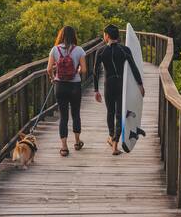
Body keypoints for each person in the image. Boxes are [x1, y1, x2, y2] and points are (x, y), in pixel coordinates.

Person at [94, 24, 144, 155]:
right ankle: (115, 145)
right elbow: (133, 67)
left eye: (104, 34)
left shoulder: (100, 51)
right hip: (121, 85)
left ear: (107, 36)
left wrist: (96, 90)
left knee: (110, 113)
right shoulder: (125, 50)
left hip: (108, 85)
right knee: (119, 114)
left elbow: (95, 72)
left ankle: (111, 137)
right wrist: (140, 84)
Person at [47, 26, 87, 157]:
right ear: (73, 36)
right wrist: (76, 72)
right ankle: (77, 142)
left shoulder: (55, 49)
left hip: (60, 86)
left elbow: (48, 69)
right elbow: (84, 69)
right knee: (76, 114)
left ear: (61, 35)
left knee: (63, 117)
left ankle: (64, 147)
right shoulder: (79, 50)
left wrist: (53, 78)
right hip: (75, 85)